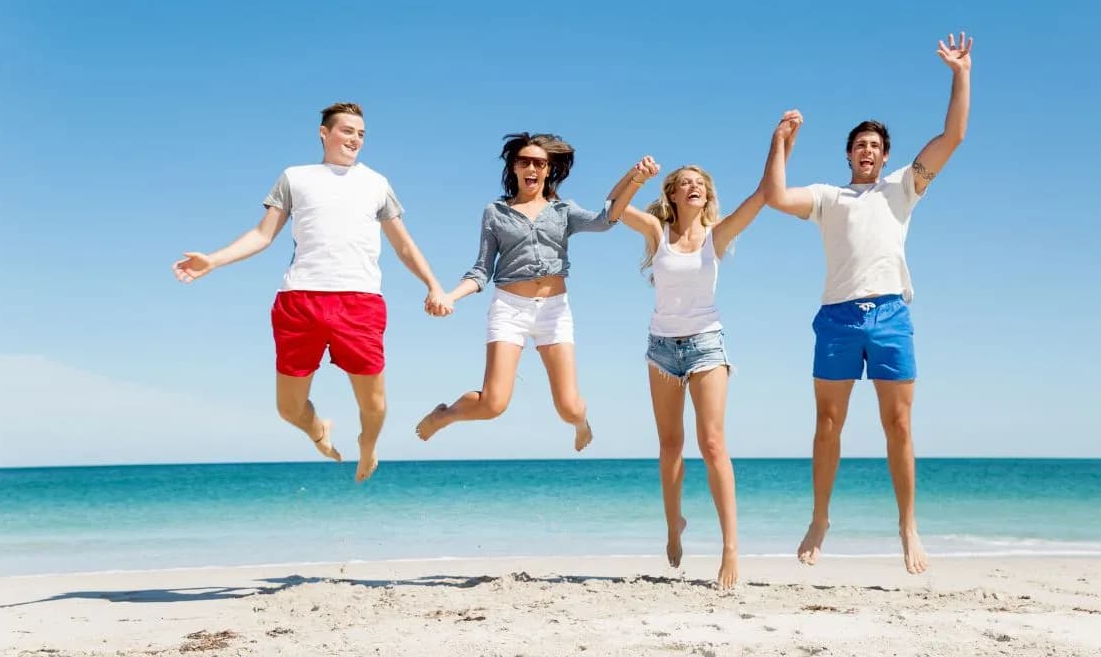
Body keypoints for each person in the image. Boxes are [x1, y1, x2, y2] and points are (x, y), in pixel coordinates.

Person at [760, 33, 974, 574]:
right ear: (849, 153)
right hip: (836, 317)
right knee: (827, 425)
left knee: (898, 426)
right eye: (861, 144)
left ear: (885, 156)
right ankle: (820, 517)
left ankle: (908, 527)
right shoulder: (830, 198)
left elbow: (952, 137)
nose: (868, 151)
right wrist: (780, 141)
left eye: (877, 146)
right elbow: (776, 196)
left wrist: (960, 74)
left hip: (890, 315)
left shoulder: (903, 188)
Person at [172, 102, 448, 483]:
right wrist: (213, 261)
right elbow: (262, 234)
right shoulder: (295, 178)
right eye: (347, 130)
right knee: (288, 408)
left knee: (374, 404)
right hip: (299, 302)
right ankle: (319, 431)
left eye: (361, 134)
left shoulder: (376, 184)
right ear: (324, 132)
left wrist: (433, 284)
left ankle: (367, 447)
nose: (355, 139)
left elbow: (403, 245)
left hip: (360, 302)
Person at [414, 133, 653, 451]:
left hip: (554, 310)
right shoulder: (496, 212)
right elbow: (482, 269)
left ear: (548, 169)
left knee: (569, 408)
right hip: (509, 308)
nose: (531, 167)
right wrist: (449, 296)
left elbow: (606, 219)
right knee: (493, 405)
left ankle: (582, 425)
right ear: (513, 167)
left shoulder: (563, 211)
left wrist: (635, 179)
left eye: (539, 163)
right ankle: (445, 416)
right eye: (524, 161)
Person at [616, 141, 778, 591]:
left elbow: (764, 194)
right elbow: (613, 208)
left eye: (699, 184)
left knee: (712, 443)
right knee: (670, 446)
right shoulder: (655, 231)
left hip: (707, 343)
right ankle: (674, 526)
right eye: (684, 183)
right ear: (672, 195)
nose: (693, 187)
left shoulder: (717, 235)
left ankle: (730, 549)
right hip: (662, 348)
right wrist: (636, 176)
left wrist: (780, 141)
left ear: (707, 195)